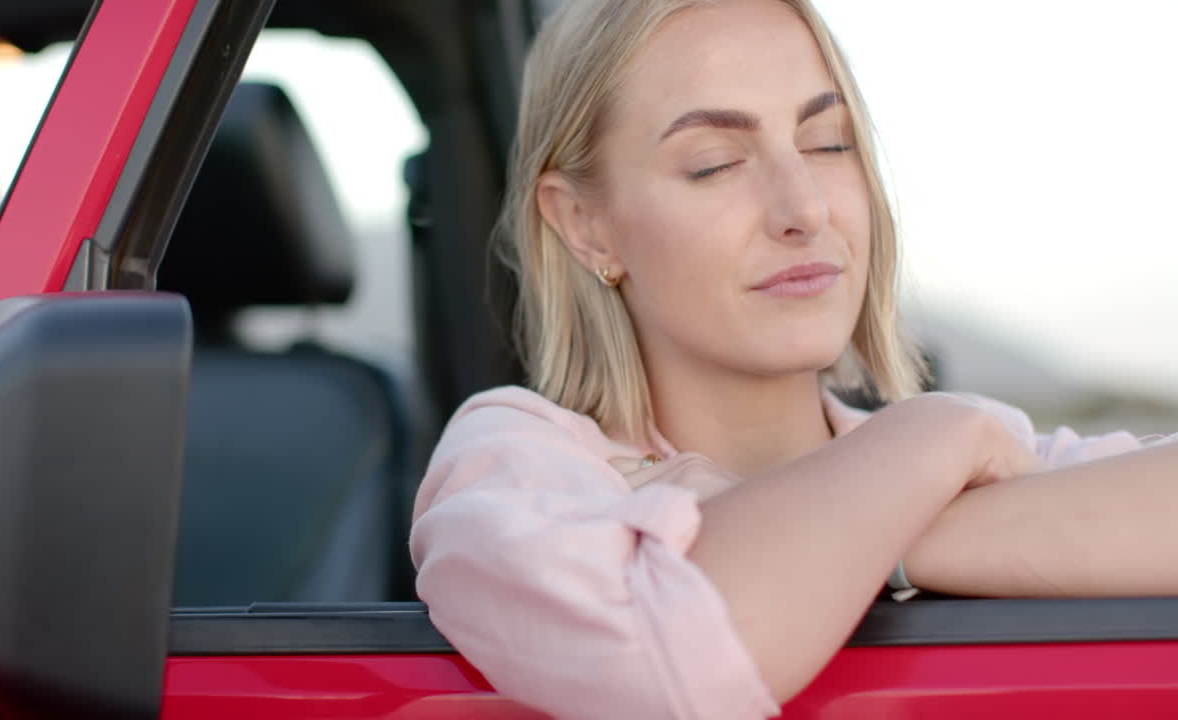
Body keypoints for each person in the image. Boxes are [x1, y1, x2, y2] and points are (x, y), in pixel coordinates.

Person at [408, 0, 1178, 717]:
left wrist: (901, 528)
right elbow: (664, 665)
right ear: (585, 225)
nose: (804, 207)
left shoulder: (966, 463)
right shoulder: (515, 463)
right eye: (713, 162)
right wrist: (940, 435)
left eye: (828, 143)